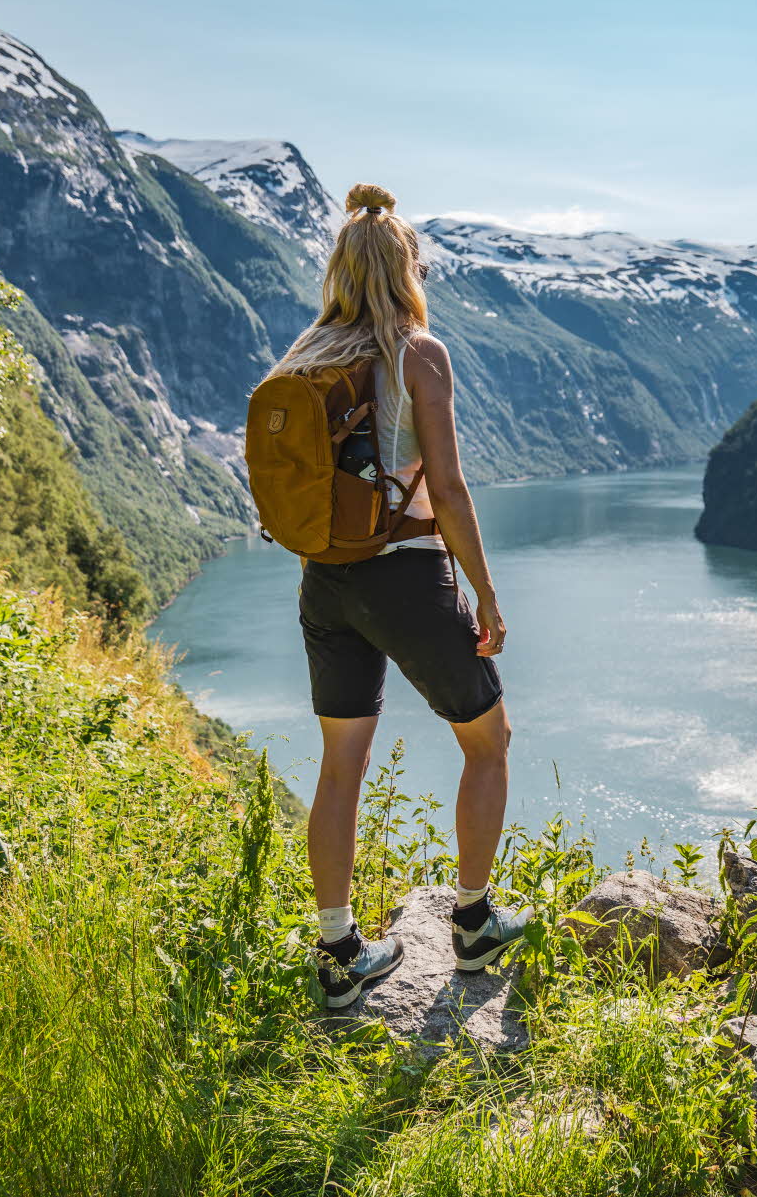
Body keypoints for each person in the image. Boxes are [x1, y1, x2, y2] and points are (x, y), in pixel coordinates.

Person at [260, 181, 526, 1008]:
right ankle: (475, 925)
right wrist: (483, 590)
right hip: (405, 576)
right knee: (489, 741)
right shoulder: (419, 354)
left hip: (323, 579)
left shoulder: (305, 354)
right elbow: (445, 487)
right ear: (407, 269)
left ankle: (340, 953)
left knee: (342, 764)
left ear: (339, 268)